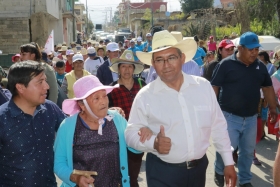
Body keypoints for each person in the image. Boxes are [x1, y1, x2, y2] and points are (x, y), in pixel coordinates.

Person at [125, 30, 237, 187]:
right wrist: (153, 143)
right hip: (162, 172)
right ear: (153, 64)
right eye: (159, 60)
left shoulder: (203, 87)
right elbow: (130, 134)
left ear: (182, 58)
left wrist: (228, 162)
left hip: (198, 171)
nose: (166, 65)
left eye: (171, 57)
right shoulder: (145, 96)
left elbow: (218, 126)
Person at [211, 32, 277, 187]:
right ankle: (219, 170)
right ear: (240, 48)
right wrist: (212, 111)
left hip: (251, 118)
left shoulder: (260, 67)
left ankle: (245, 180)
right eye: (251, 49)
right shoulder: (226, 65)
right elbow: (214, 87)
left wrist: (273, 108)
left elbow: (267, 87)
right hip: (229, 116)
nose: (255, 52)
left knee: (247, 151)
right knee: (227, 149)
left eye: (256, 49)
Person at [54, 75, 144, 187]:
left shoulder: (117, 119)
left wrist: (141, 138)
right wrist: (75, 177)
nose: (103, 102)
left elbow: (134, 147)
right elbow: (59, 163)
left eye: (104, 96)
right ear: (82, 105)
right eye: (96, 98)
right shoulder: (68, 127)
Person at [0, 61, 66, 186]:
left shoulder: (50, 109)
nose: (47, 86)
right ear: (20, 87)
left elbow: (73, 130)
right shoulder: (2, 119)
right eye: (40, 82)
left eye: (45, 81)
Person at [108, 50, 145, 187]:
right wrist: (110, 110)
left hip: (138, 136)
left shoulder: (142, 85)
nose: (127, 70)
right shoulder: (111, 88)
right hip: (118, 138)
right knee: (119, 175)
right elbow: (104, 112)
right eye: (123, 66)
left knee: (133, 175)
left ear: (134, 69)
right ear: (118, 69)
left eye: (130, 66)